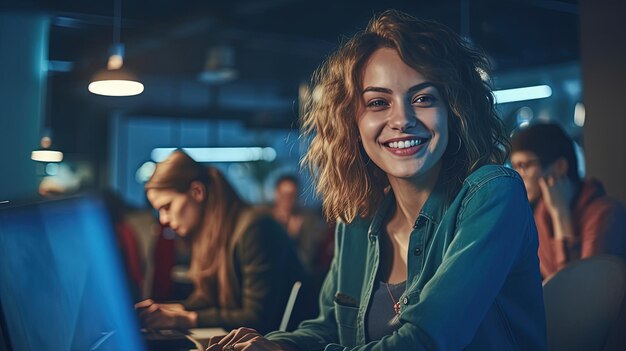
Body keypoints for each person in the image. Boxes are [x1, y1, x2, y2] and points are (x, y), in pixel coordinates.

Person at [207, 9, 546, 351]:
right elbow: (329, 330)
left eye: (423, 98)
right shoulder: (358, 216)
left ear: (454, 110)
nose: (402, 119)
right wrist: (275, 346)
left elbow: (426, 341)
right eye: (378, 102)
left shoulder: (492, 194)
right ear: (352, 120)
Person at [135, 150, 306, 334]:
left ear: (197, 192)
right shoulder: (213, 233)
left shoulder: (255, 228)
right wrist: (168, 310)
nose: (163, 219)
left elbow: (256, 318)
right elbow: (209, 299)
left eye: (167, 207)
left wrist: (186, 318)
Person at [510, 123, 626, 279]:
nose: (519, 175)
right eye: (515, 167)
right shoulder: (539, 217)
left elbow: (581, 290)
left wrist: (561, 215)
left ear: (560, 166)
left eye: (525, 165)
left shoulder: (606, 213)